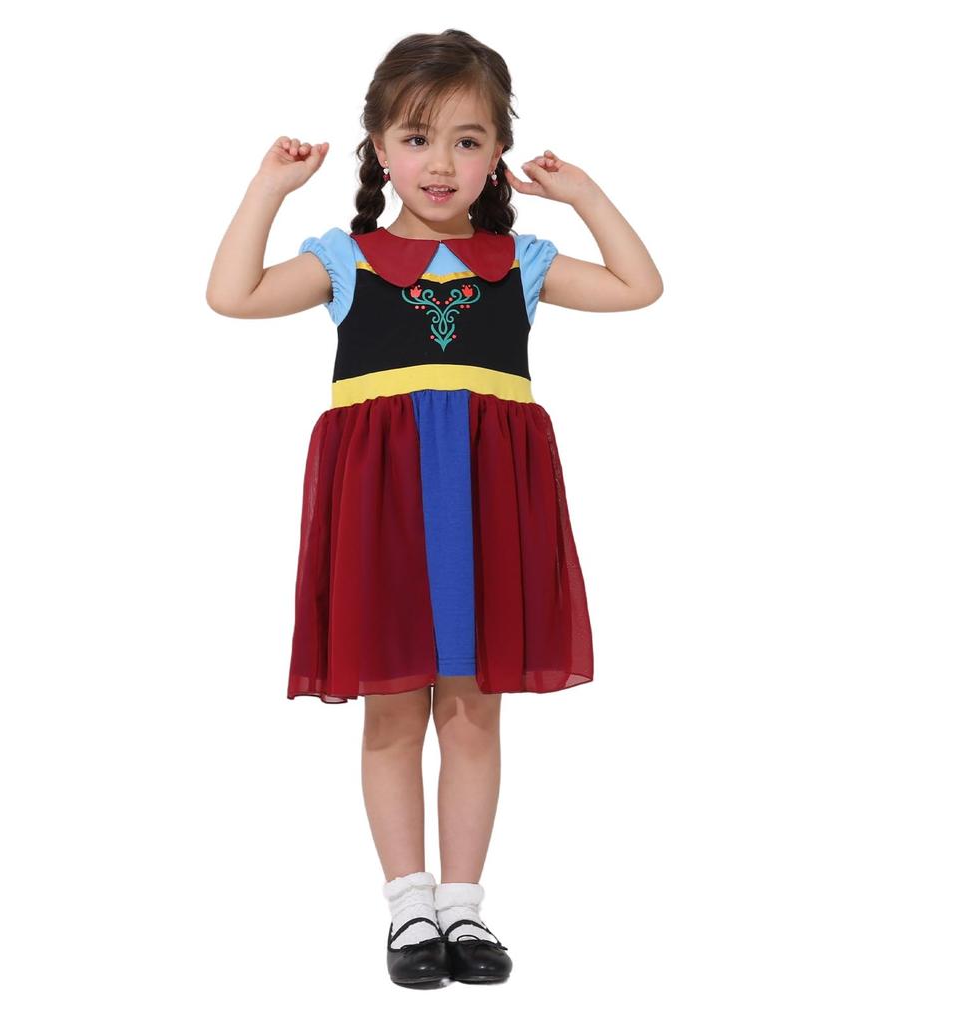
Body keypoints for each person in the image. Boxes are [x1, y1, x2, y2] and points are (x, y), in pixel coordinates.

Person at [206, 28, 663, 989]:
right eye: (417, 139)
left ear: (497, 152)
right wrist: (268, 188)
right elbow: (232, 295)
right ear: (379, 147)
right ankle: (408, 906)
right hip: (381, 513)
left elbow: (639, 287)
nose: (442, 163)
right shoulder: (348, 259)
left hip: (486, 509)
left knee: (471, 711)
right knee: (389, 710)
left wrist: (584, 195)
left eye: (468, 139)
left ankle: (463, 908)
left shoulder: (519, 261)